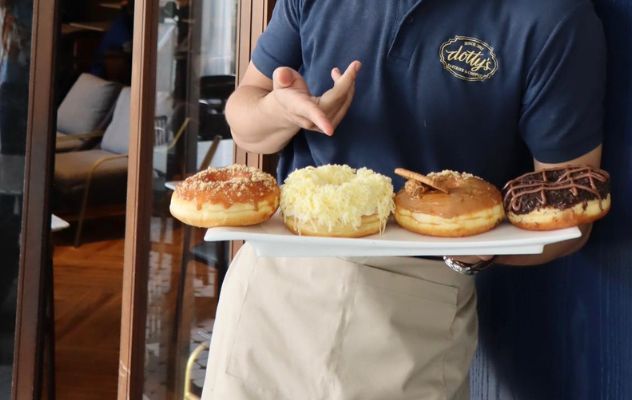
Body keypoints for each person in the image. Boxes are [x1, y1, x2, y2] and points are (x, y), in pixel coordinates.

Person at [203, 0, 605, 398]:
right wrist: (281, 111)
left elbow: (571, 222)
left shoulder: (555, 18)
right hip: (271, 290)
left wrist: (479, 251)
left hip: (416, 309)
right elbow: (245, 120)